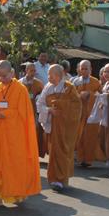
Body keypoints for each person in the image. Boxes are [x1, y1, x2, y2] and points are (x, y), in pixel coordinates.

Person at [0, 60, 41, 207]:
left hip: (15, 135)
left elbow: (25, 114)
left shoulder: (20, 89)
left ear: (12, 73)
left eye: (4, 76)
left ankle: (18, 193)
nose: (1, 79)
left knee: (15, 165)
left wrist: (6, 114)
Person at [37, 63, 81, 192]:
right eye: (48, 75)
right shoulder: (48, 87)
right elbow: (39, 104)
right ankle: (54, 179)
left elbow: (77, 106)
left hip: (65, 127)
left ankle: (62, 179)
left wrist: (60, 104)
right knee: (54, 152)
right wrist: (49, 110)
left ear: (59, 75)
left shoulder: (69, 88)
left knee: (63, 151)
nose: (48, 77)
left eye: (51, 75)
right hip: (52, 125)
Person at [71, 60, 105, 168]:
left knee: (90, 136)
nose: (84, 71)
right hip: (79, 114)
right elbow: (71, 96)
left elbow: (101, 96)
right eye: (82, 69)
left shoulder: (95, 82)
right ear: (79, 70)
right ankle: (79, 157)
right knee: (79, 136)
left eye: (86, 69)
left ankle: (88, 159)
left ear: (91, 70)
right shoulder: (75, 82)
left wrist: (90, 94)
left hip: (92, 115)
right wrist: (79, 96)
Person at [20, 62, 46, 158]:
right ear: (26, 71)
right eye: (31, 71)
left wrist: (39, 97)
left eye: (34, 71)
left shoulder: (38, 83)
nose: (33, 73)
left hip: (33, 112)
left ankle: (33, 153)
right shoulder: (19, 83)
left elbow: (44, 96)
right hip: (21, 112)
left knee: (35, 131)